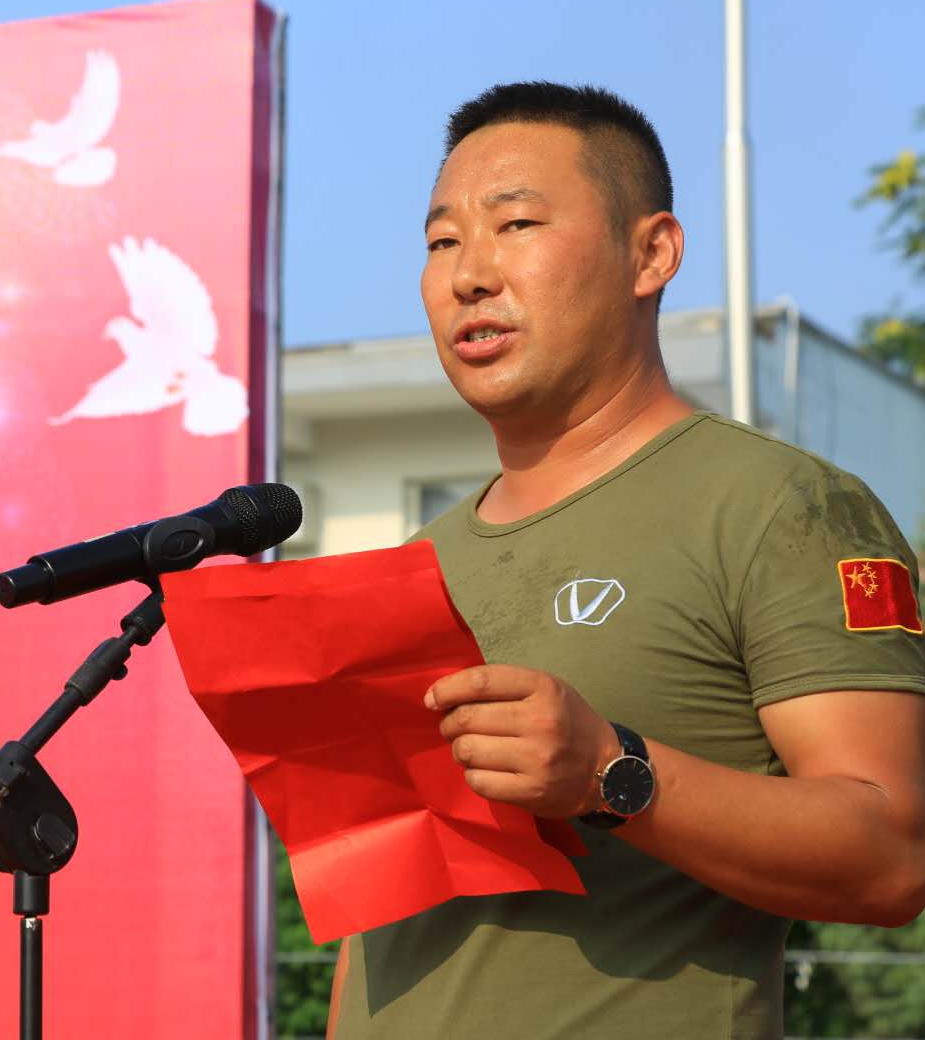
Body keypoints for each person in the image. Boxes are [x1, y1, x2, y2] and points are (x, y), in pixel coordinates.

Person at [327, 82, 925, 1039]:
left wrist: (612, 771)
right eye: (441, 242)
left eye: (516, 224)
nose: (469, 274)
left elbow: (894, 857)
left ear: (653, 254)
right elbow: (377, 933)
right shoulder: (410, 566)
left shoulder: (781, 506)